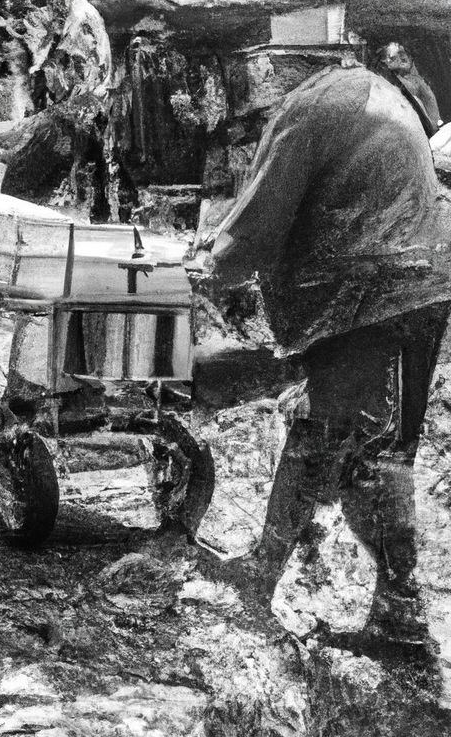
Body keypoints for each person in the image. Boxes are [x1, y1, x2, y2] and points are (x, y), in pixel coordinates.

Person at [186, 58, 451, 650]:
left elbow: (256, 227)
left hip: (369, 290)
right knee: (383, 451)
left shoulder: (305, 111)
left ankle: (281, 575)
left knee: (328, 438)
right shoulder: (372, 90)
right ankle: (393, 607)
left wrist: (201, 272)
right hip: (425, 285)